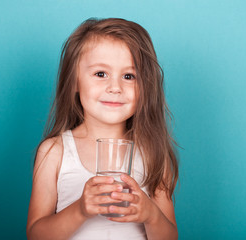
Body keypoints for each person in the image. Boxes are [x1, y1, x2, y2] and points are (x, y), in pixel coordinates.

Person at [26, 18, 179, 240]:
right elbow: (36, 235)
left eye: (129, 76)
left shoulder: (153, 153)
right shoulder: (54, 152)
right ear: (75, 81)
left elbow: (170, 236)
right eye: (100, 74)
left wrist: (151, 215)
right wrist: (80, 210)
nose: (115, 88)